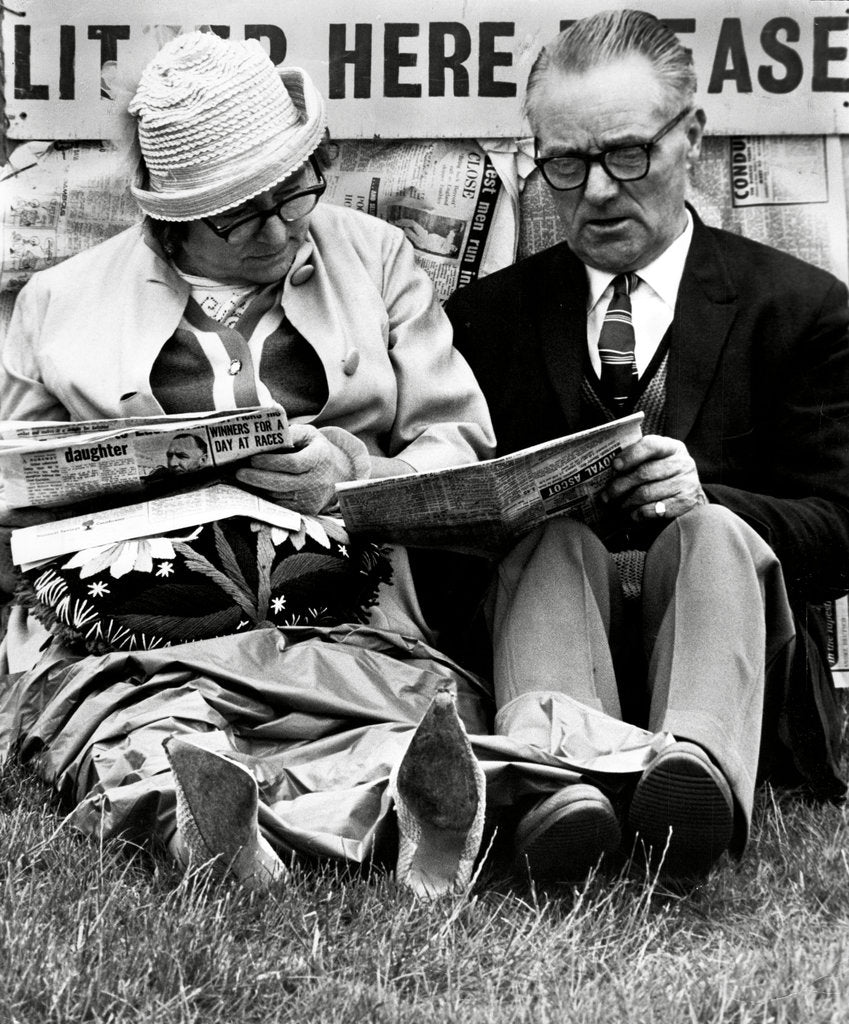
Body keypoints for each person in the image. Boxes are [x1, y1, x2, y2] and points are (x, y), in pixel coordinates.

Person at [0, 31, 502, 896]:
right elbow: (13, 491)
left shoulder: (376, 259)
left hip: (344, 603)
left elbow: (460, 450)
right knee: (161, 730)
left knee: (372, 711)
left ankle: (401, 815)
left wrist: (347, 475)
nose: (279, 227)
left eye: (296, 192)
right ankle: (216, 820)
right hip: (143, 625)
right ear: (171, 217)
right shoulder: (59, 302)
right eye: (241, 213)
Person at [446, 9, 849, 881]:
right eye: (564, 163)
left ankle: (692, 777)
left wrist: (710, 499)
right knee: (546, 543)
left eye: (626, 155)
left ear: (689, 138)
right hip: (549, 640)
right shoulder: (484, 321)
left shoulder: (800, 309)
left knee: (713, 538)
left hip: (733, 657)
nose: (595, 191)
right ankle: (561, 783)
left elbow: (842, 534)